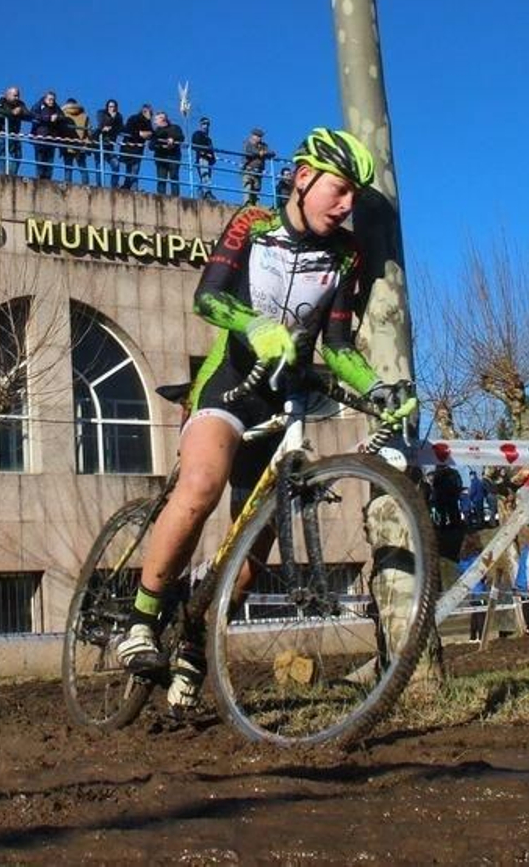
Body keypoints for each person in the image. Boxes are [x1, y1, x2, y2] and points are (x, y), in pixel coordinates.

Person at [113, 128, 416, 712]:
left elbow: (338, 346)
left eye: (354, 195)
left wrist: (376, 390)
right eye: (339, 190)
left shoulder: (345, 257)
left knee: (249, 558)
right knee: (200, 487)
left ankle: (194, 650)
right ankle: (141, 620)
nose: (347, 204)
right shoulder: (251, 225)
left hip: (286, 406)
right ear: (303, 178)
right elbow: (208, 297)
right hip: (231, 385)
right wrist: (252, 325)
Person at [429, 450, 467, 565]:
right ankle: (454, 525)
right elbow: (459, 483)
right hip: (451, 497)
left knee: (444, 514)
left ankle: (444, 527)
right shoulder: (453, 472)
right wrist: (456, 492)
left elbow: (434, 485)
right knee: (452, 512)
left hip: (442, 497)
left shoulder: (438, 474)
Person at [0, 85, 28, 174]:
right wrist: (11, 113)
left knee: (17, 155)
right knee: (2, 154)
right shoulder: (1, 101)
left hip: (14, 133)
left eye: (18, 95)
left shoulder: (20, 104)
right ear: (8, 95)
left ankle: (11, 174)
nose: (17, 98)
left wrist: (21, 111)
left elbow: (28, 114)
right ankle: (4, 174)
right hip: (1, 132)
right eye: (14, 95)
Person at [29, 90, 65, 181]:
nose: (51, 101)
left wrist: (57, 117)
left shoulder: (56, 107)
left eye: (53, 100)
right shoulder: (38, 106)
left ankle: (48, 178)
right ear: (45, 99)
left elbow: (63, 117)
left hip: (51, 138)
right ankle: (40, 178)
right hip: (40, 138)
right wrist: (48, 118)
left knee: (50, 160)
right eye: (50, 99)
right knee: (40, 160)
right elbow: (32, 115)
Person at [119, 103, 154, 190]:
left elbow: (151, 133)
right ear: (144, 111)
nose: (151, 114)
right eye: (149, 112)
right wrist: (140, 133)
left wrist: (148, 134)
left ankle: (129, 187)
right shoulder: (134, 118)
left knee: (134, 169)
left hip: (138, 149)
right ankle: (132, 188)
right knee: (132, 168)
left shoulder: (148, 122)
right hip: (129, 147)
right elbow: (128, 130)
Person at [149, 110, 184, 197]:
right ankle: (161, 197)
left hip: (173, 156)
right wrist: (161, 146)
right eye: (157, 119)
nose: (159, 121)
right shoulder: (156, 132)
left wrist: (173, 139)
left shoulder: (175, 127)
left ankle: (175, 198)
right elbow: (151, 146)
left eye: (161, 118)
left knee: (174, 177)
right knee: (161, 179)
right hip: (161, 157)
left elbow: (181, 137)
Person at [60, 95, 91, 184]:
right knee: (83, 168)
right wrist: (87, 145)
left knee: (68, 168)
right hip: (80, 146)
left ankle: (67, 186)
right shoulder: (84, 116)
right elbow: (89, 132)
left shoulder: (63, 115)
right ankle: (86, 186)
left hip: (67, 144)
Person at [94, 98, 124, 185]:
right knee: (99, 166)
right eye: (110, 106)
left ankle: (114, 186)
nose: (112, 109)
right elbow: (101, 124)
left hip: (110, 146)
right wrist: (112, 118)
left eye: (114, 107)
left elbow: (120, 128)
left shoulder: (118, 116)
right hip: (99, 143)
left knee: (116, 165)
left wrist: (112, 126)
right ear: (107, 107)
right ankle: (99, 186)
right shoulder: (101, 113)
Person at [241, 127, 268, 205]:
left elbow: (272, 153)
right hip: (248, 169)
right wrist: (259, 153)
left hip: (258, 171)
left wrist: (264, 153)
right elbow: (249, 152)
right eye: (257, 136)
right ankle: (247, 203)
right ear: (253, 136)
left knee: (256, 189)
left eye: (260, 136)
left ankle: (256, 205)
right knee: (248, 186)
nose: (259, 138)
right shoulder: (247, 143)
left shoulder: (263, 145)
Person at [190, 116, 216, 200]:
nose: (206, 126)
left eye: (208, 124)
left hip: (208, 160)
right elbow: (194, 146)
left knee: (206, 176)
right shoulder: (197, 134)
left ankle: (201, 194)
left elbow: (211, 151)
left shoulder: (209, 139)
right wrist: (204, 153)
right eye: (204, 124)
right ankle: (207, 193)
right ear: (201, 125)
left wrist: (212, 158)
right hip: (202, 158)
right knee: (205, 175)